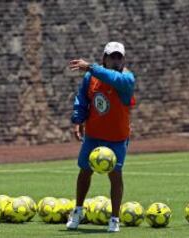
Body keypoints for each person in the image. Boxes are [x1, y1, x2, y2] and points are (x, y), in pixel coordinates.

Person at [66, 42, 135, 232]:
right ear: (104, 58)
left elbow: (112, 78)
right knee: (84, 171)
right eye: (112, 56)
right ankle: (78, 211)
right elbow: (82, 99)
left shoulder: (126, 79)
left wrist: (89, 66)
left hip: (117, 137)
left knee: (115, 175)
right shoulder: (91, 77)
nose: (115, 60)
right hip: (94, 135)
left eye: (119, 57)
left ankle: (114, 219)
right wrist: (78, 120)